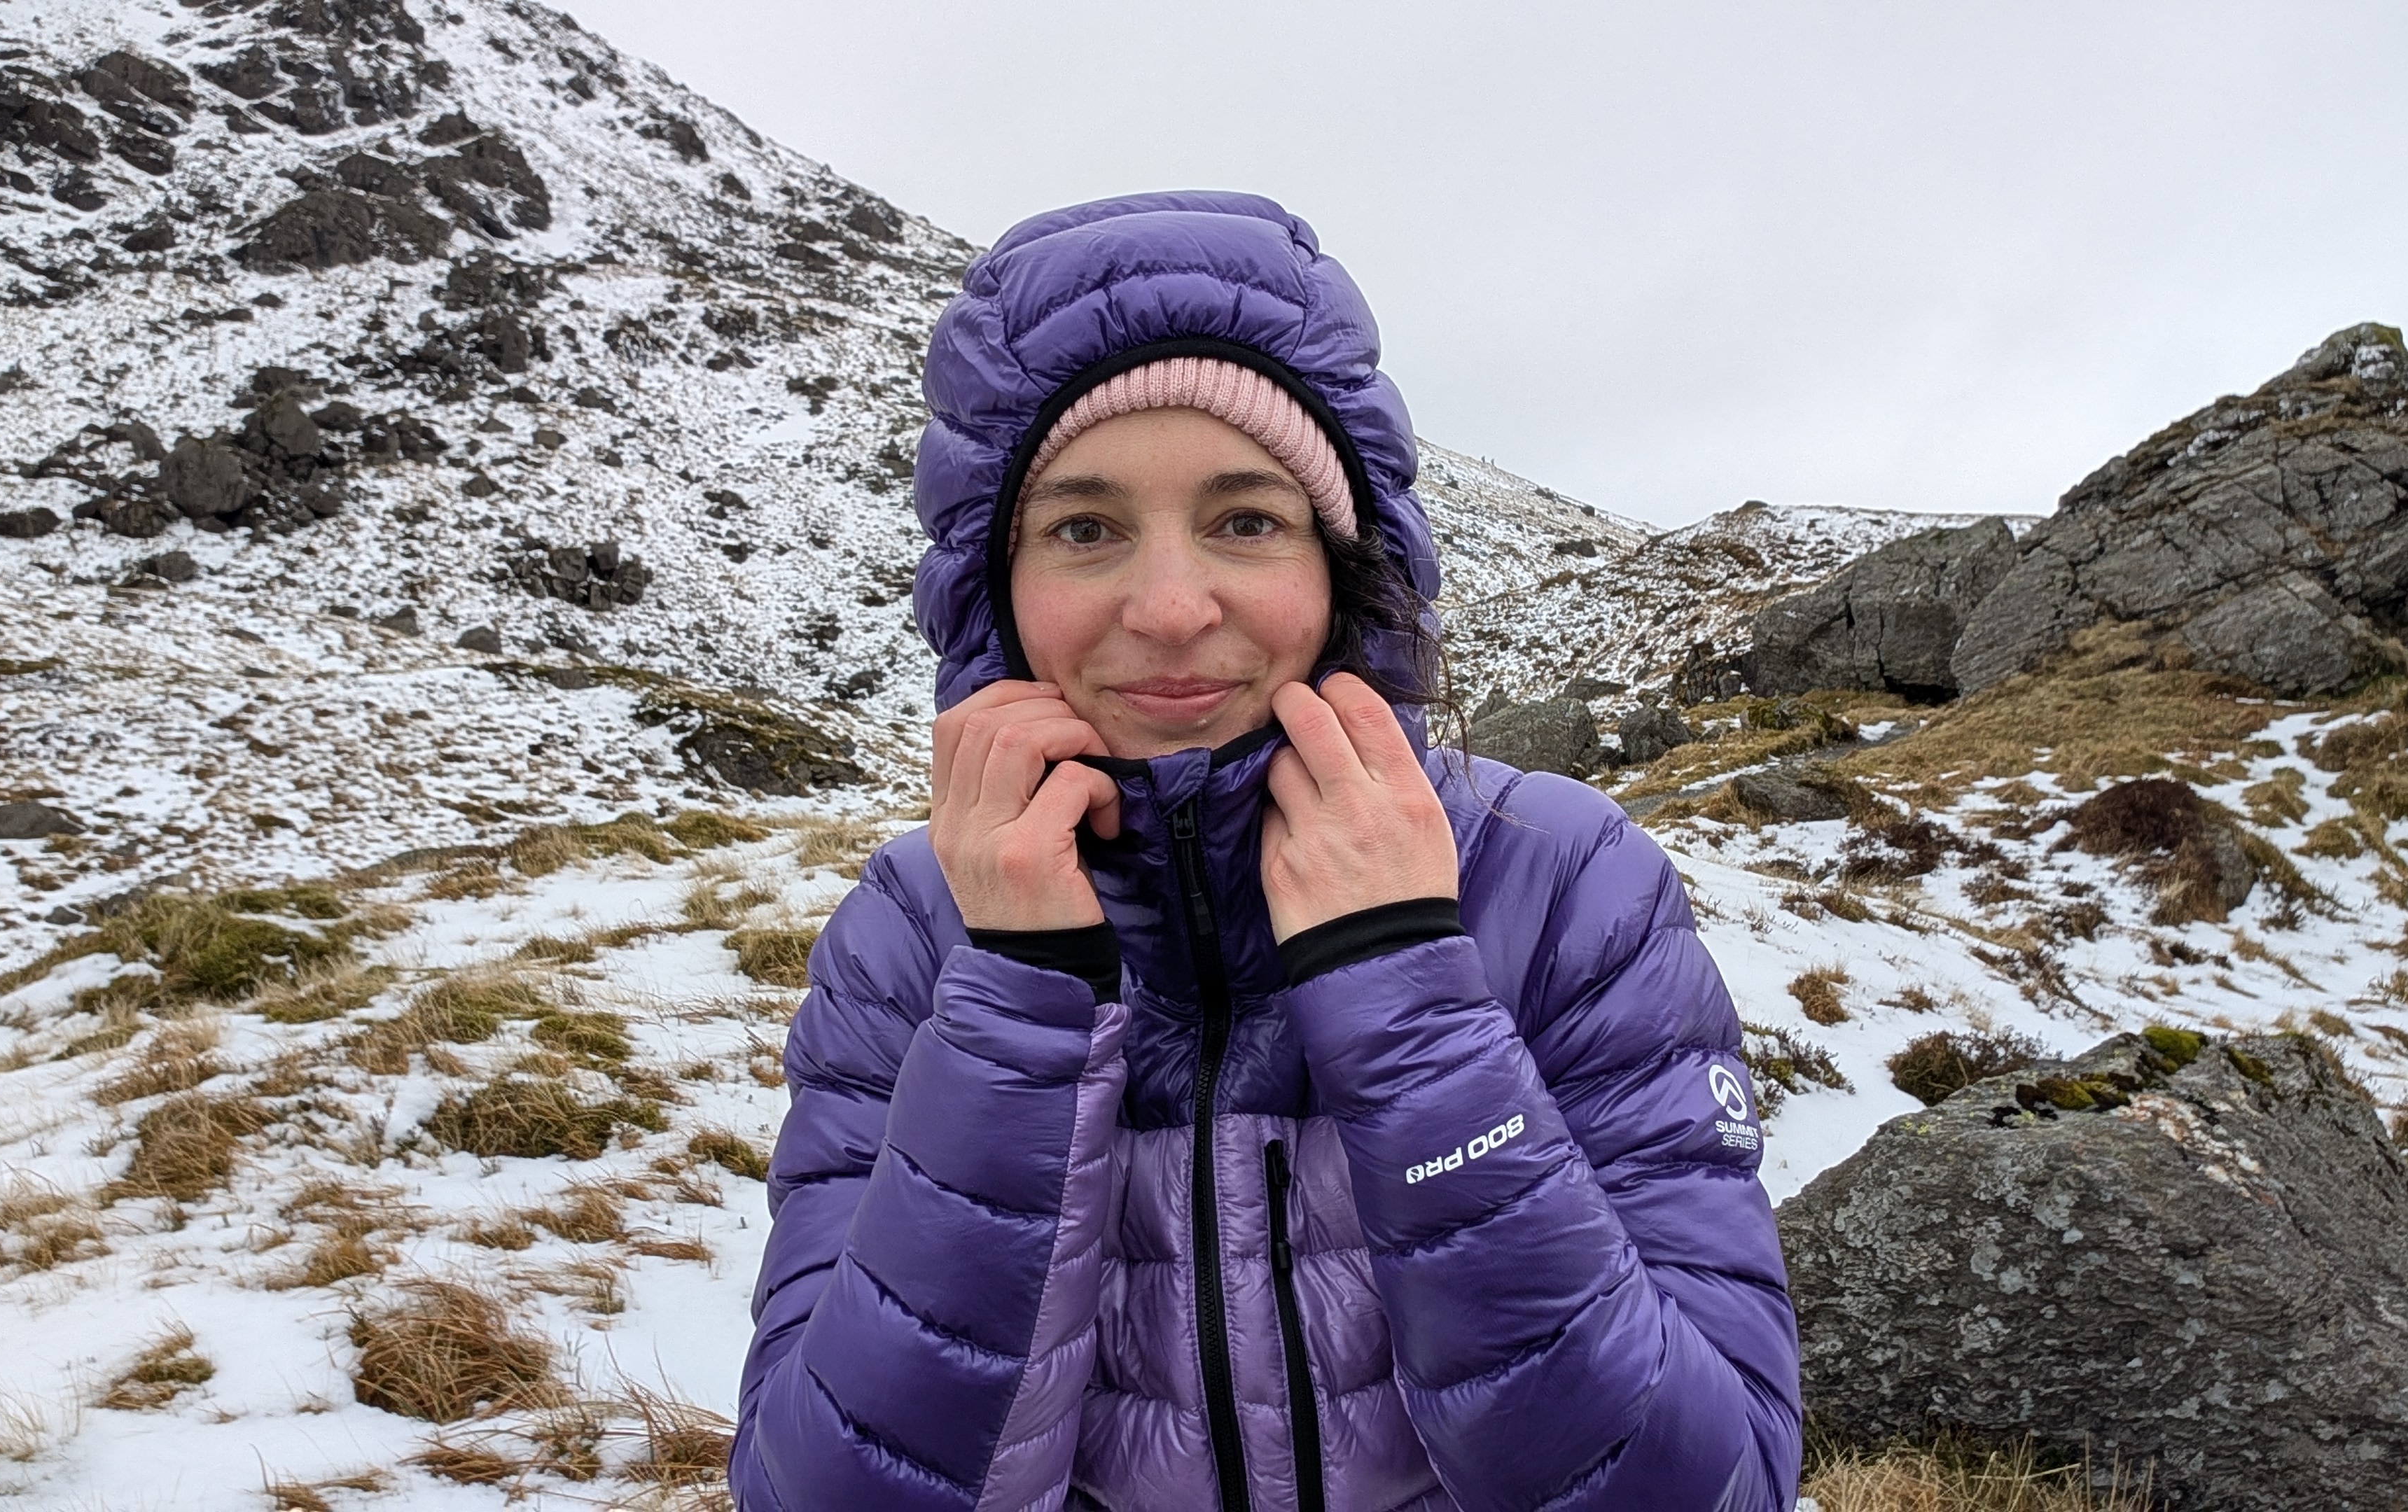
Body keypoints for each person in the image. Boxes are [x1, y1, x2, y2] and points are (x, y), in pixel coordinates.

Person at [733, 192, 1800, 1512]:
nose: (1174, 609)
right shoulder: (911, 935)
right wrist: (1018, 994)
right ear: (991, 587)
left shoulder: (1565, 882)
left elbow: (1709, 1490)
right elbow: (825, 1492)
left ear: (1347, 567)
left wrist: (1403, 982)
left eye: (1247, 520)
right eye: (1083, 529)